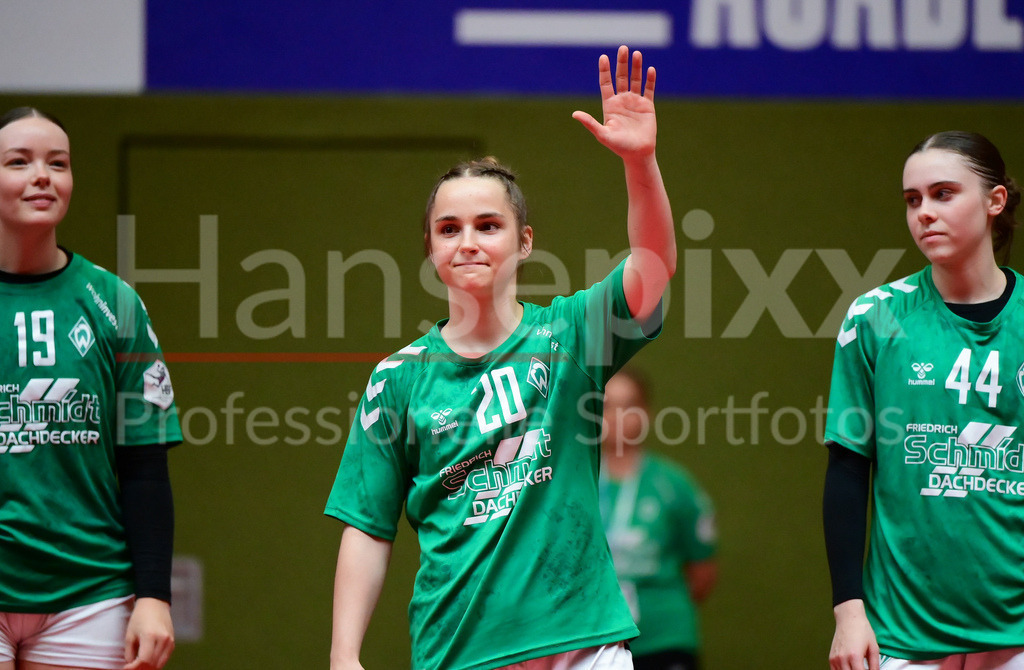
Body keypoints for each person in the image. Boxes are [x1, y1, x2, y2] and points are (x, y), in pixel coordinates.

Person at [325, 44, 675, 670]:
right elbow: (367, 527)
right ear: (430, 248)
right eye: (448, 229)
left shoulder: (571, 334)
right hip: (460, 651)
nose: (468, 243)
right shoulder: (398, 380)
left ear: (524, 242)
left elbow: (654, 265)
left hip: (585, 648)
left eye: (488, 226)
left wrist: (641, 164)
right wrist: (344, 655)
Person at [823, 131, 1024, 670]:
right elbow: (847, 467)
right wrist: (848, 610)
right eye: (913, 200)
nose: (924, 213)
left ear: (995, 200)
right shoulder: (877, 317)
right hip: (902, 632)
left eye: (943, 194)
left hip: (1015, 632)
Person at [0, 107, 180, 670]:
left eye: (59, 163)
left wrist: (153, 594)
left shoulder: (114, 303)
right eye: (18, 162)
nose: (42, 176)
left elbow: (144, 465)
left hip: (91, 595)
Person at [599, 368, 717, 670]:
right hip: (594, 643)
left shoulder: (675, 485)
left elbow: (702, 572)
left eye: (628, 406)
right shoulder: (571, 486)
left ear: (646, 413)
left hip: (665, 640)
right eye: (606, 406)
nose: (616, 417)